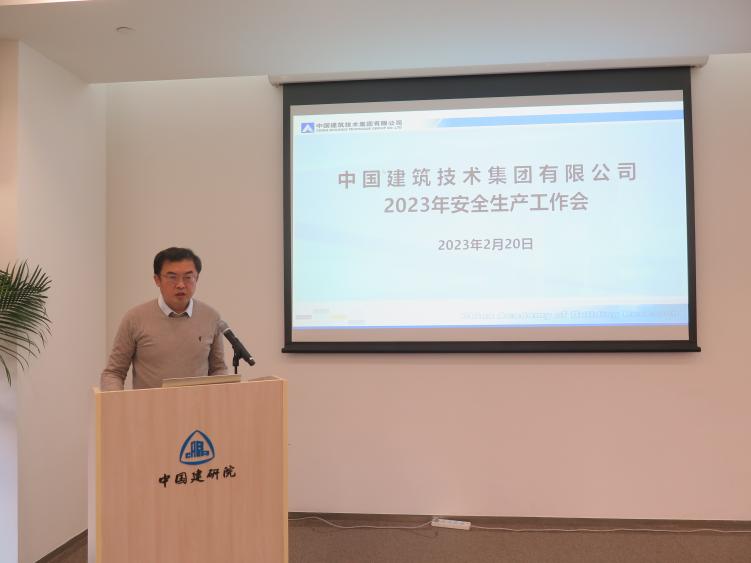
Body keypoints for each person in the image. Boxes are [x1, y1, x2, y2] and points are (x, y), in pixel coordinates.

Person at [100, 247, 227, 391]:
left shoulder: (211, 317)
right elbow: (114, 373)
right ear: (157, 280)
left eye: (188, 277)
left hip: (198, 404)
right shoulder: (135, 318)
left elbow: (218, 369)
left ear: (197, 278)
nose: (180, 285)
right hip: (149, 405)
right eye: (172, 277)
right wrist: (116, 400)